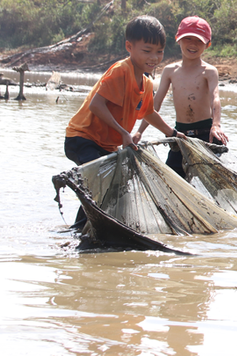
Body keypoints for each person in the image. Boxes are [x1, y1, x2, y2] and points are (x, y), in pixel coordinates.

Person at [64, 15, 183, 224]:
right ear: (129, 46)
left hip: (107, 145)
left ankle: (84, 226)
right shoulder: (121, 71)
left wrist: (171, 133)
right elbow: (96, 105)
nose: (154, 58)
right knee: (100, 183)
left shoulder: (146, 84)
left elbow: (149, 113)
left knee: (108, 187)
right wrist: (123, 133)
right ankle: (82, 229)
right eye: (147, 51)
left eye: (159, 52)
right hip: (82, 138)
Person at [134, 16, 228, 177]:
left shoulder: (209, 71)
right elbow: (154, 105)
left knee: (213, 180)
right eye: (188, 39)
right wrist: (139, 132)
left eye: (199, 41)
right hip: (180, 136)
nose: (192, 44)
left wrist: (216, 125)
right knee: (171, 179)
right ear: (178, 39)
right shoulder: (170, 71)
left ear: (207, 44)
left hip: (206, 134)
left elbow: (215, 98)